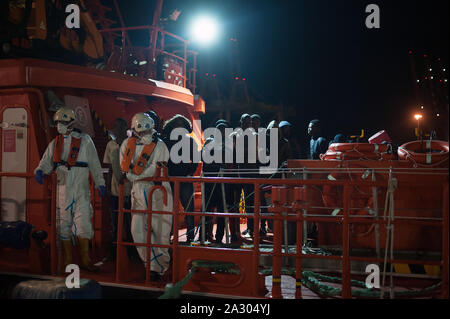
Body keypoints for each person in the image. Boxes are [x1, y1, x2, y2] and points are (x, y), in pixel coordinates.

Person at [34, 107, 106, 271]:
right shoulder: (55, 143)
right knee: (63, 224)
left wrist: (99, 182)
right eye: (58, 122)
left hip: (80, 188)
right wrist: (40, 171)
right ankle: (67, 260)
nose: (60, 125)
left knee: (84, 223)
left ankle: (86, 260)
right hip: (62, 188)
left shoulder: (86, 140)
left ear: (71, 123)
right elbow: (46, 162)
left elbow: (94, 163)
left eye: (63, 122)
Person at [119, 113, 173, 280]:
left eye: (147, 131)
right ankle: (149, 264)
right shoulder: (126, 145)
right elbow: (124, 166)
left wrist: (136, 176)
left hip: (158, 190)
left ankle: (161, 266)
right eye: (141, 132)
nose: (144, 135)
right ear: (134, 131)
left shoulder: (161, 146)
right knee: (137, 231)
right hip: (138, 191)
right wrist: (132, 177)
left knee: (161, 231)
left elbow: (157, 168)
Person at [103, 118, 137, 261]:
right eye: (116, 126)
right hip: (115, 191)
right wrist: (107, 186)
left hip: (129, 190)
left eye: (121, 126)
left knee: (131, 224)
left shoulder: (132, 144)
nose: (118, 129)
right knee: (115, 223)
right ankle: (114, 253)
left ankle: (132, 253)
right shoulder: (110, 145)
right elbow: (109, 167)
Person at [162, 114, 199, 243]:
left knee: (189, 208)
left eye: (181, 125)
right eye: (177, 125)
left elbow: (195, 159)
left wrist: (190, 172)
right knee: (169, 210)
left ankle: (190, 237)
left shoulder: (189, 141)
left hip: (184, 179)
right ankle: (169, 235)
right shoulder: (165, 141)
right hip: (170, 180)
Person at [202, 121, 237, 244]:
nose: (221, 132)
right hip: (210, 181)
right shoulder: (209, 141)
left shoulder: (229, 144)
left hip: (223, 182)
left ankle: (219, 237)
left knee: (222, 211)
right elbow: (205, 157)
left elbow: (230, 161)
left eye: (224, 130)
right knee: (207, 210)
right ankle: (205, 235)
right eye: (220, 129)